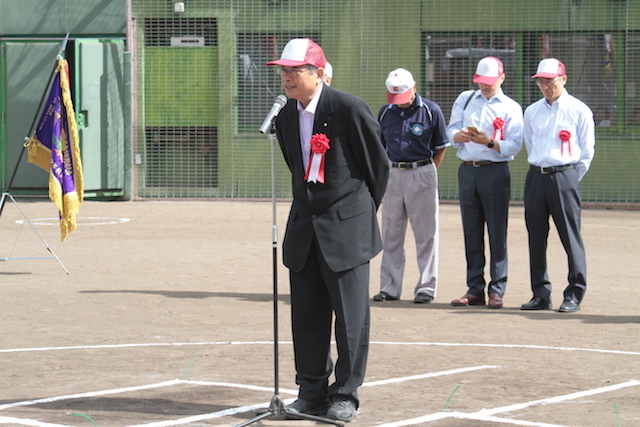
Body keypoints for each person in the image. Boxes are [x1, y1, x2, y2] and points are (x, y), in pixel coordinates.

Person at [266, 38, 389, 422]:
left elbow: (377, 168)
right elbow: (296, 169)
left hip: (346, 229)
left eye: (295, 70)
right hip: (305, 228)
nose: (287, 77)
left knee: (350, 318)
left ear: (318, 74)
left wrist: (357, 215)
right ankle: (311, 391)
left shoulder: (348, 108)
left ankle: (346, 394)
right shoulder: (285, 115)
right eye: (283, 71)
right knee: (306, 316)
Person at [446, 57, 524, 308]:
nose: (485, 87)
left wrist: (488, 142)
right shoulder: (465, 99)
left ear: (502, 78)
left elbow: (514, 145)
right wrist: (458, 136)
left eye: (490, 82)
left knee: (496, 230)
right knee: (471, 230)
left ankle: (497, 288)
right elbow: (452, 129)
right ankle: (475, 287)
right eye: (481, 82)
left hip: (495, 171)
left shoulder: (511, 107)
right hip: (468, 169)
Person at [521, 58, 595, 313]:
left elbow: (586, 151)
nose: (545, 86)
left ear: (563, 79)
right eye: (541, 81)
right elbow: (531, 144)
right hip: (536, 176)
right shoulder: (532, 111)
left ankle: (574, 292)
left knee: (570, 236)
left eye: (550, 81)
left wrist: (570, 177)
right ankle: (540, 292)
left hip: (564, 176)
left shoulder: (578, 110)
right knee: (536, 237)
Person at [373, 68, 450, 304]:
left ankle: (426, 286)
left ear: (414, 88)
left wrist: (427, 170)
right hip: (394, 173)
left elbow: (441, 146)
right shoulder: (386, 111)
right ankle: (390, 287)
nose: (398, 102)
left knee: (426, 233)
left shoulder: (430, 110)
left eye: (402, 95)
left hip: (422, 172)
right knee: (391, 232)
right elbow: (380, 144)